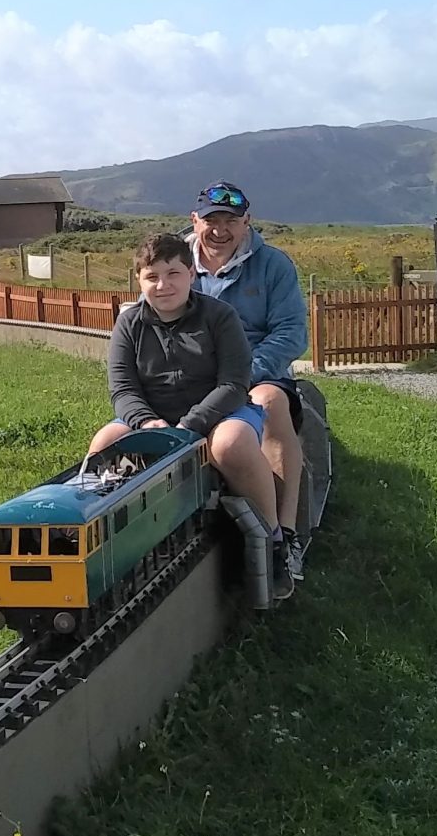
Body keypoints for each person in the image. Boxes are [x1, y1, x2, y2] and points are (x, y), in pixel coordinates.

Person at [88, 232, 295, 599]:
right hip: (154, 416)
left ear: (190, 275)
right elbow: (123, 390)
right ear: (139, 281)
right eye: (152, 277)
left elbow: (234, 383)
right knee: (105, 444)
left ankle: (272, 539)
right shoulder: (129, 325)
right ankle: (103, 554)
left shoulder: (219, 317)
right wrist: (147, 422)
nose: (163, 285)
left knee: (231, 445)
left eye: (173, 274)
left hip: (219, 413)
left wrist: (191, 424)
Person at [185, 181, 310, 583]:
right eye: (211, 220)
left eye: (231, 221)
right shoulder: (176, 263)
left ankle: (285, 534)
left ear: (247, 222)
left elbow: (291, 334)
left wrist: (242, 375)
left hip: (259, 371)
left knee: (270, 402)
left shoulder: (274, 265)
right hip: (194, 374)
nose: (220, 230)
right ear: (195, 221)